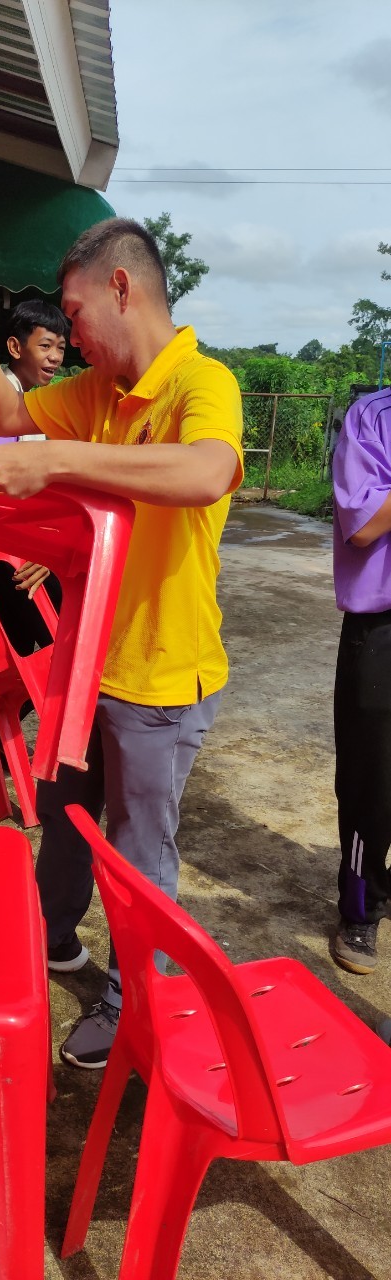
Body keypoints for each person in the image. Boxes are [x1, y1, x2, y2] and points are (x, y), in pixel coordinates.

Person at [0, 217, 243, 1069]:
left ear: (122, 289)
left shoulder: (201, 382)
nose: (69, 334)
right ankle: (49, 939)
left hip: (160, 676)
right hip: (85, 664)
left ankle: (133, 1003)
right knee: (65, 819)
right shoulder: (97, 394)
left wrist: (59, 464)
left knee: (138, 851)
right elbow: (3, 410)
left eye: (75, 314)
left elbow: (204, 471)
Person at [0, 300, 66, 763]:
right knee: (53, 646)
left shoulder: (26, 401)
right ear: (14, 347)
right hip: (7, 554)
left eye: (60, 347)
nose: (55, 357)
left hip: (17, 550)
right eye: (45, 345)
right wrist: (42, 549)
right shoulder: (3, 404)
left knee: (24, 649)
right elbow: (3, 490)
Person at [330, 386, 391, 975]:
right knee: (372, 778)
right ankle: (361, 906)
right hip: (382, 626)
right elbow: (365, 523)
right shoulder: (373, 417)